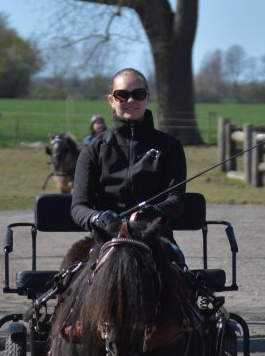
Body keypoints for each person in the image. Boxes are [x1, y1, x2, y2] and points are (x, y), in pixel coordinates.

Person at [71, 68, 187, 237]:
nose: (131, 100)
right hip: (106, 238)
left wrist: (155, 212)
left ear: (147, 98)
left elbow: (176, 199)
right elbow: (78, 206)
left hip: (155, 236)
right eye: (122, 95)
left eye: (138, 94)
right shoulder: (93, 148)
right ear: (111, 100)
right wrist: (98, 218)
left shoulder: (170, 146)